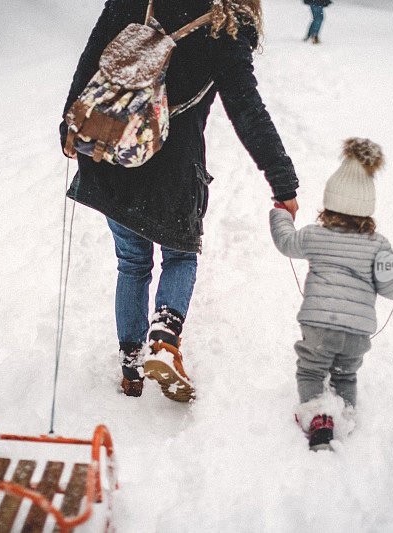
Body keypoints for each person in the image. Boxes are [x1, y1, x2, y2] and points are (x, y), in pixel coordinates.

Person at [63, 0, 299, 402]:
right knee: (178, 256)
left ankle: (131, 365)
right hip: (174, 167)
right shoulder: (227, 23)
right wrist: (283, 182)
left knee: (132, 263)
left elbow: (92, 60)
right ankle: (165, 340)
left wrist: (70, 127)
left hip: (114, 151)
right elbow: (247, 109)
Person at [269, 138, 393, 450]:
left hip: (318, 326)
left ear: (328, 204)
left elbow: (285, 241)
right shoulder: (378, 245)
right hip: (356, 332)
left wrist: (282, 212)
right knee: (345, 376)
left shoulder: (314, 235)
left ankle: (316, 417)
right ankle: (344, 417)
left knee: (311, 369)